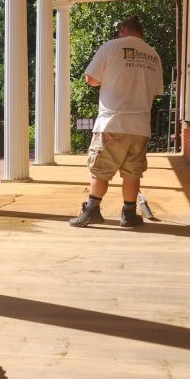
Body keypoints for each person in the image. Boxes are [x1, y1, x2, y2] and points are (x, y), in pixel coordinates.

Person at [70, 16, 164, 229]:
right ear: (141, 32)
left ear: (122, 29)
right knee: (133, 172)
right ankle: (129, 215)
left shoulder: (110, 47)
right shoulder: (153, 55)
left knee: (101, 170)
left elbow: (91, 79)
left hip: (112, 123)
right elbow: (156, 90)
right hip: (140, 126)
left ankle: (92, 211)